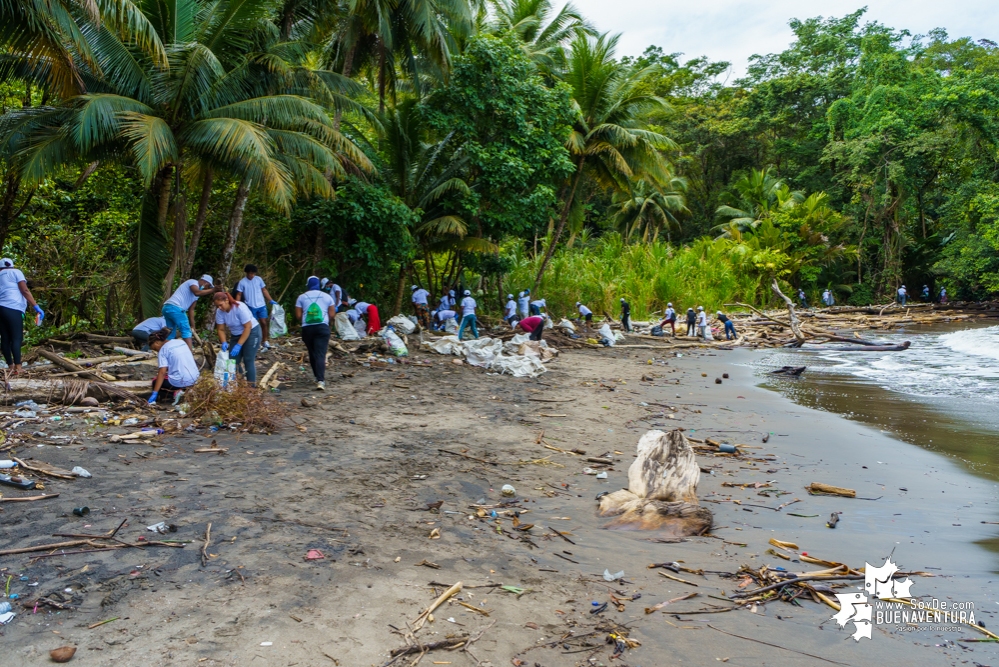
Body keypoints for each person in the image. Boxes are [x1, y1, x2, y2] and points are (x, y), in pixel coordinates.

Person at [0, 258, 43, 374]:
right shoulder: (16, 272)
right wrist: (36, 307)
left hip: (1, 308)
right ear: (12, 266)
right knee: (16, 338)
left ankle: (10, 366)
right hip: (13, 307)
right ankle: (18, 368)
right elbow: (24, 290)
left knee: (5, 339)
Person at [295, 276, 337, 390]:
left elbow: (298, 316)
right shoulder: (327, 297)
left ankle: (316, 376)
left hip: (307, 329)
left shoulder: (301, 297)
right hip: (322, 328)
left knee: (312, 353)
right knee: (320, 354)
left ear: (308, 285)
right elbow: (332, 315)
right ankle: (320, 380)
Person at [214, 292, 261, 384]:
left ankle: (251, 387)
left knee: (248, 359)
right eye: (217, 306)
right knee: (232, 361)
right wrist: (224, 342)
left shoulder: (239, 307)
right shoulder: (220, 312)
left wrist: (239, 345)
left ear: (226, 300)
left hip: (252, 332)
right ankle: (239, 383)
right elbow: (220, 329)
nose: (219, 308)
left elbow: (248, 327)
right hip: (236, 334)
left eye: (221, 305)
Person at [162, 275, 217, 348]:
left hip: (167, 308)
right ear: (205, 283)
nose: (207, 288)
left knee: (171, 333)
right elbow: (197, 292)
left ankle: (165, 350)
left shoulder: (196, 295)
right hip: (175, 307)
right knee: (186, 330)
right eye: (208, 286)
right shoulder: (193, 282)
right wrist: (213, 290)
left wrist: (193, 326)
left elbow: (191, 310)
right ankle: (189, 353)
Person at [147, 329, 199, 404]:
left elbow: (162, 372)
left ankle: (175, 395)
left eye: (155, 348)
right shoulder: (180, 342)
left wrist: (155, 392)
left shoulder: (163, 350)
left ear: (157, 342)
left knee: (155, 382)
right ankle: (186, 390)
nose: (156, 351)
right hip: (195, 378)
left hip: (181, 380)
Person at [235, 264, 277, 351]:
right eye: (250, 273)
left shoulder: (259, 279)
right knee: (252, 325)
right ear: (247, 273)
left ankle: (265, 340)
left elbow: (264, 290)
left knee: (264, 322)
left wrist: (270, 300)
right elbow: (239, 294)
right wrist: (236, 304)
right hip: (250, 305)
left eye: (253, 273)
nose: (252, 275)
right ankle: (253, 342)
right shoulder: (242, 282)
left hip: (261, 305)